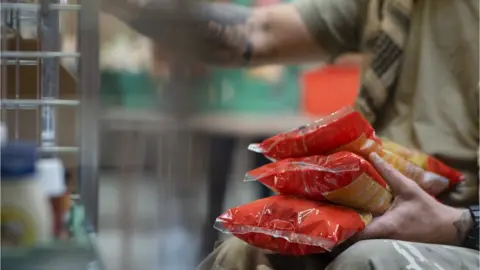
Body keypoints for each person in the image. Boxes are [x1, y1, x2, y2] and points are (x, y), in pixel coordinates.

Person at [102, 0, 479, 269]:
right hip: (379, 207)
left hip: (462, 224)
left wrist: (456, 225)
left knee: (368, 263)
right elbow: (256, 33)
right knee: (244, 253)